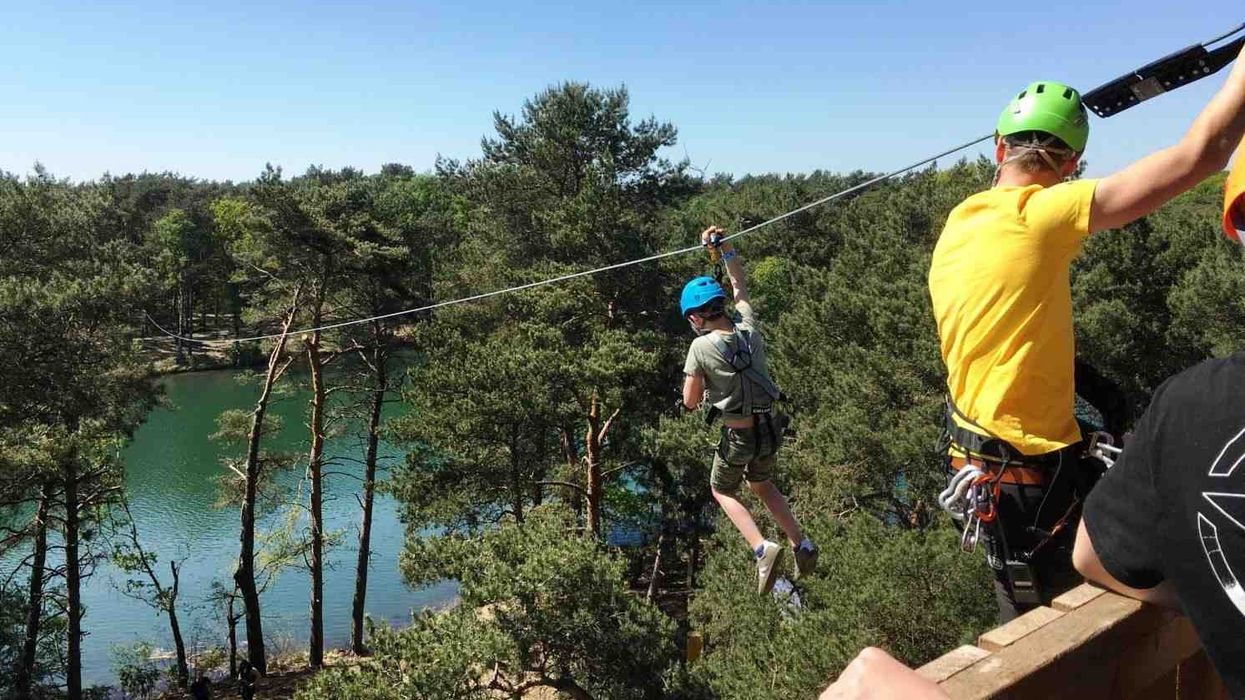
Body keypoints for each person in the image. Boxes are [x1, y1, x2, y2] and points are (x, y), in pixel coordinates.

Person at [929, 45, 1245, 621]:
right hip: (1027, 478)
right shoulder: (1041, 215)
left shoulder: (961, 220)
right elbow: (1199, 155)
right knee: (1081, 618)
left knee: (1030, 615)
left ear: (999, 149)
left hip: (980, 467)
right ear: (1072, 164)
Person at [680, 225, 817, 594]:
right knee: (762, 483)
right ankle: (801, 543)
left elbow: (690, 401)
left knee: (721, 489)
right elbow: (739, 284)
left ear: (696, 318)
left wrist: (704, 385)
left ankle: (761, 548)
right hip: (771, 429)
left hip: (739, 435)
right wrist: (724, 249)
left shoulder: (699, 348)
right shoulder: (748, 326)